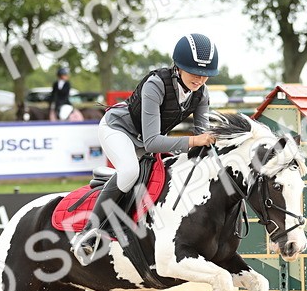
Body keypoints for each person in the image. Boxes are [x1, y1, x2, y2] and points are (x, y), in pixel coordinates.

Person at [72, 33, 219, 265]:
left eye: (205, 75)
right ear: (178, 67)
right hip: (118, 130)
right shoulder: (156, 84)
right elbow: (153, 143)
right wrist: (193, 142)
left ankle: (113, 185)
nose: (200, 79)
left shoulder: (201, 94)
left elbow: (204, 137)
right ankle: (88, 233)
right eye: (194, 72)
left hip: (144, 140)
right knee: (130, 171)